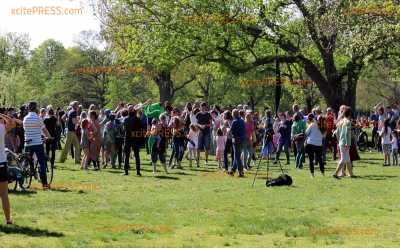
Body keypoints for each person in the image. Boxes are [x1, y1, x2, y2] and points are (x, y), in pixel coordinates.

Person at [23, 101, 52, 189]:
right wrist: (49, 137)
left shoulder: (25, 119)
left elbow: (26, 130)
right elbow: (44, 130)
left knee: (26, 162)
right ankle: (44, 184)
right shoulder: (38, 118)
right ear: (36, 108)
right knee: (42, 162)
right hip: (37, 143)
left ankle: (23, 179)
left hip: (27, 143)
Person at [0, 113, 20, 224]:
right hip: (1, 163)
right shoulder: (2, 128)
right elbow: (12, 122)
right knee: (4, 194)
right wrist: (2, 115)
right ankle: (8, 220)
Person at [123, 106, 144, 176]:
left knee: (127, 155)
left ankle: (126, 171)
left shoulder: (126, 119)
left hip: (128, 138)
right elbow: (141, 128)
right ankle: (138, 172)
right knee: (136, 155)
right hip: (134, 138)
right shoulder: (137, 119)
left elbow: (124, 129)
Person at [333, 106, 353, 179]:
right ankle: (335, 173)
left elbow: (337, 132)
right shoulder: (348, 122)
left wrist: (339, 140)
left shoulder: (341, 121)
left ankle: (351, 174)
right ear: (349, 114)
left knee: (347, 159)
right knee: (343, 159)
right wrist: (347, 143)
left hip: (341, 142)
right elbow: (347, 133)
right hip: (345, 143)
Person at [229, 109, 246, 177]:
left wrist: (228, 130)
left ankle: (241, 171)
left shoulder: (234, 121)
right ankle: (233, 170)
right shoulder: (242, 120)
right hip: (242, 139)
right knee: (237, 155)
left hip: (236, 140)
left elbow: (231, 131)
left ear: (233, 115)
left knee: (237, 156)